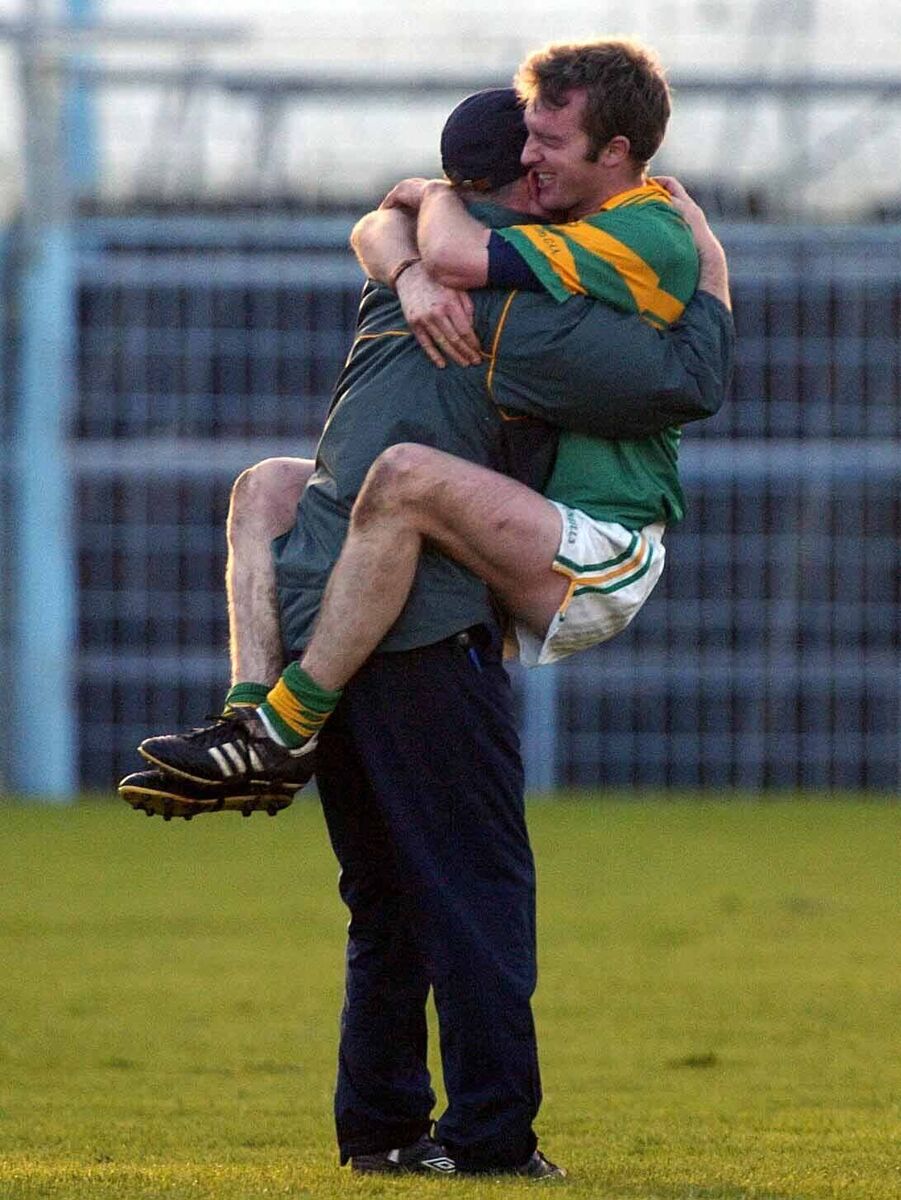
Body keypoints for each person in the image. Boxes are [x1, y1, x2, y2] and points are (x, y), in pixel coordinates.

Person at [120, 73, 733, 1179]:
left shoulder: (393, 275)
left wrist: (402, 247)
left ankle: (379, 1128)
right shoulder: (512, 318)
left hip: (313, 604)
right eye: (537, 153)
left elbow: (390, 220)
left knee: (385, 906)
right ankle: (493, 1140)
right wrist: (715, 278)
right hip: (412, 627)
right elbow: (687, 380)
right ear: (522, 189)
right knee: (475, 895)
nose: (550, 166)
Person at [133, 40, 729, 793]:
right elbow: (379, 228)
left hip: (602, 549)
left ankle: (288, 726)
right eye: (529, 146)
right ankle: (247, 717)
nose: (535, 155)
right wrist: (409, 254)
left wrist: (428, 208)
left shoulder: (635, 229)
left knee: (405, 476)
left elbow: (451, 255)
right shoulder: (577, 224)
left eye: (547, 141)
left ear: (612, 151)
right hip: (543, 521)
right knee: (267, 488)